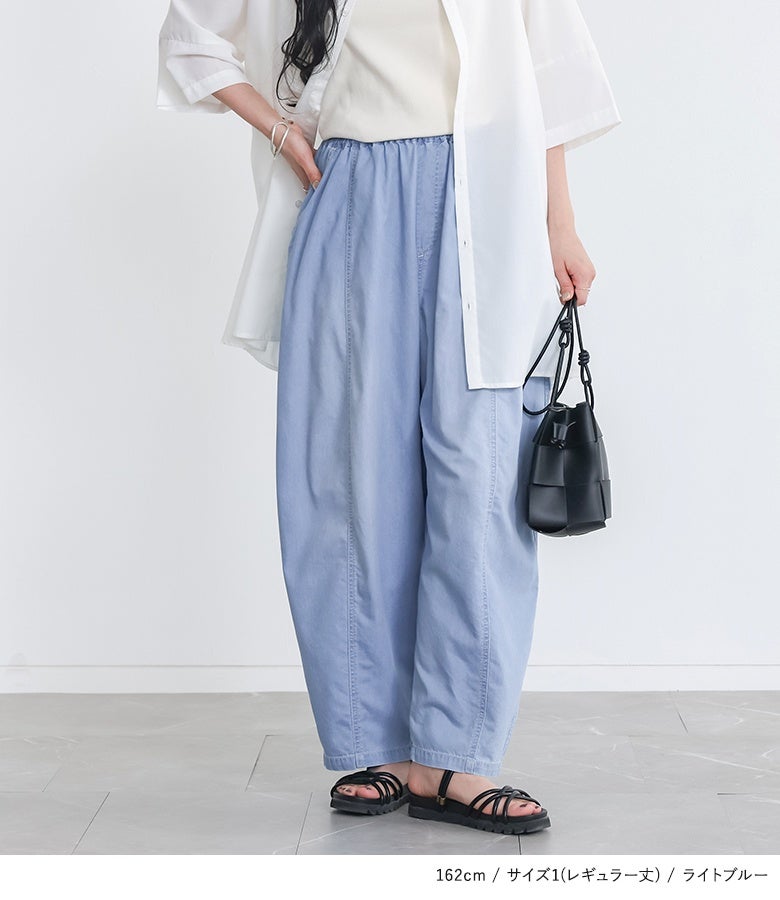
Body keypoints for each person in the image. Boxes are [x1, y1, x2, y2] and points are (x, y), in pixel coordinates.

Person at [157, 0, 621, 836]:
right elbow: (192, 37)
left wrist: (562, 222)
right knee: (352, 483)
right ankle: (375, 744)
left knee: (480, 480)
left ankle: (459, 755)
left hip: (485, 197)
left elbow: (549, 79)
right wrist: (282, 132)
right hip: (353, 196)